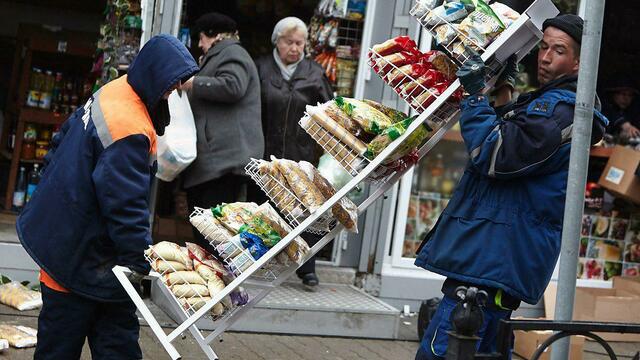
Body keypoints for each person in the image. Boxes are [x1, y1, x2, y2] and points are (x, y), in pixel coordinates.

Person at [414, 14, 608, 359]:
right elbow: (519, 148)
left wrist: (475, 98)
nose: (545, 57)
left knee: (446, 351)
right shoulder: (554, 105)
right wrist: (503, 94)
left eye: (558, 51)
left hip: (490, 264)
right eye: (543, 47)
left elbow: (496, 154)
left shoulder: (562, 112)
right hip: (491, 263)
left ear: (580, 62)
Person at [16, 35, 198, 359]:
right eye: (171, 87)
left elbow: (61, 139)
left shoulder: (116, 90)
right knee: (80, 345)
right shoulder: (129, 126)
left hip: (72, 241)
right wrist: (141, 259)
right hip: (81, 256)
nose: (172, 93)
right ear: (157, 80)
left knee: (83, 342)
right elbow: (125, 205)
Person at [253, 17, 333, 288]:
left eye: (300, 43)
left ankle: (306, 267)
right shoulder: (260, 68)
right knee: (264, 209)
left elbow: (328, 114)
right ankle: (259, 262)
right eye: (289, 42)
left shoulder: (314, 73)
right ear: (277, 41)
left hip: (302, 155)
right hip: (266, 152)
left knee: (304, 211)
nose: (295, 48)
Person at [180, 13, 264, 252]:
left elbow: (233, 86)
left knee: (213, 229)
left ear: (215, 34)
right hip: (217, 158)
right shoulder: (221, 54)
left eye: (201, 38)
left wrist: (195, 83)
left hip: (223, 160)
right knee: (207, 226)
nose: (199, 44)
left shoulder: (233, 53)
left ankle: (221, 280)